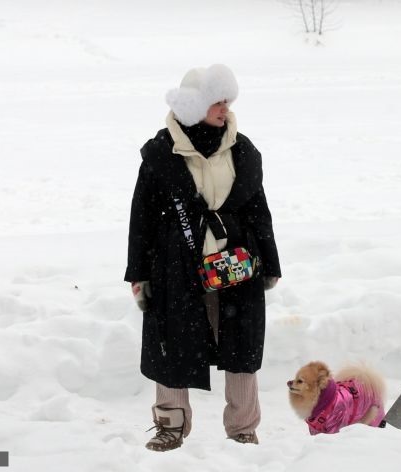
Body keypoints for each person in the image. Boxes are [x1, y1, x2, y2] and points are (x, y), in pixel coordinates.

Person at [125, 64, 282, 450]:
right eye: (216, 100)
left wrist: (270, 264)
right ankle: (170, 426)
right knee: (172, 345)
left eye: (227, 100)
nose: (224, 107)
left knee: (241, 347)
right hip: (176, 268)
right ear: (194, 105)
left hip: (237, 263)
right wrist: (139, 273)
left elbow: (258, 211)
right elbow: (141, 216)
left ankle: (243, 429)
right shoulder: (162, 153)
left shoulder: (243, 150)